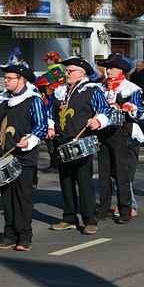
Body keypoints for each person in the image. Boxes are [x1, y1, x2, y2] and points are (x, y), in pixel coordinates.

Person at [0, 49, 49, 251]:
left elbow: (40, 126)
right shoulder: (1, 102)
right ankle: (9, 233)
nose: (5, 81)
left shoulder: (34, 100)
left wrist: (29, 140)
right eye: (5, 78)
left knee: (23, 197)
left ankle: (24, 235)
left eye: (9, 78)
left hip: (24, 158)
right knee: (7, 197)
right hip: (4, 157)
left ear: (21, 79)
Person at [50, 57, 112, 235]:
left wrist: (97, 121)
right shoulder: (60, 91)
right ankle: (69, 217)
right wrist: (50, 126)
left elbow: (105, 110)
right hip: (62, 140)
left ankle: (89, 219)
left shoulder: (91, 90)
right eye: (67, 71)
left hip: (82, 140)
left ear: (82, 73)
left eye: (71, 71)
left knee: (84, 181)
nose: (67, 73)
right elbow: (50, 112)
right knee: (65, 180)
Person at [95, 54, 144, 224]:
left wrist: (129, 107)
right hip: (102, 132)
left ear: (121, 70)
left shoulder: (132, 88)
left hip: (122, 133)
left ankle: (125, 210)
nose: (108, 71)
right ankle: (103, 208)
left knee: (122, 174)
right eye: (107, 67)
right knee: (104, 173)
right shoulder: (100, 87)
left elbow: (140, 112)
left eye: (112, 67)